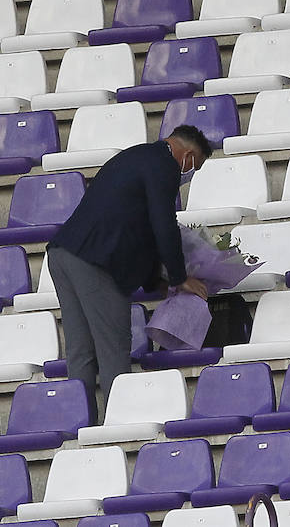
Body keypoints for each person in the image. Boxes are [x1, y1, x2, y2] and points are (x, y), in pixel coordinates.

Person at [47, 125, 214, 419]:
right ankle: (117, 425)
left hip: (63, 255)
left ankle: (80, 423)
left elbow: (135, 226)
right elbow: (162, 223)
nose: (190, 174)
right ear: (187, 155)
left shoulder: (136, 157)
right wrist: (179, 277)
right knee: (113, 350)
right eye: (195, 167)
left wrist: (157, 281)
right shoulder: (165, 165)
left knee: (81, 352)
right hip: (95, 263)